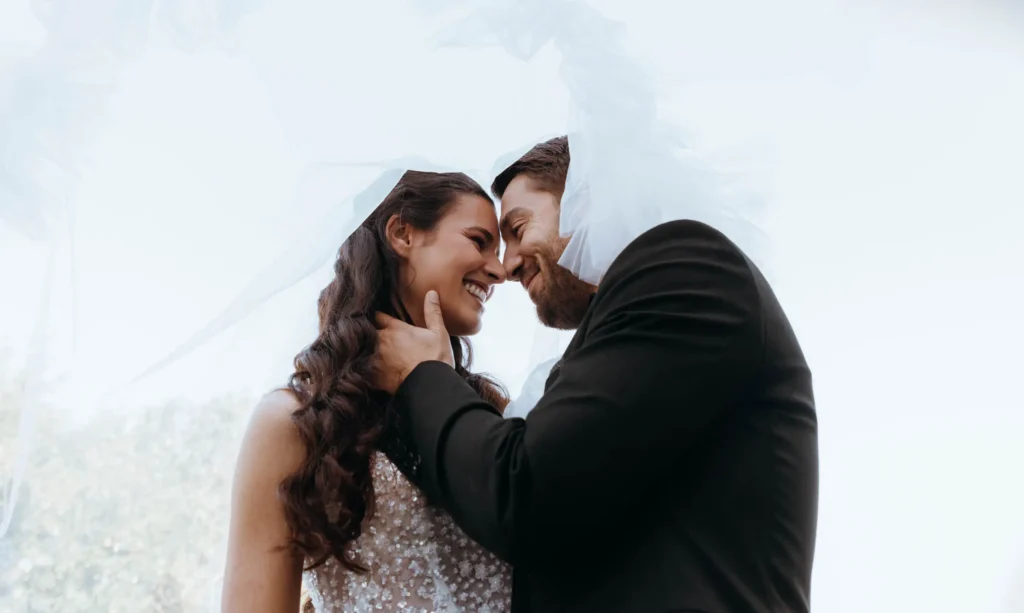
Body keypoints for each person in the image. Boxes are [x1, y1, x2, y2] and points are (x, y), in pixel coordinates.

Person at [374, 136, 820, 612]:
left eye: (519, 228)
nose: (507, 265)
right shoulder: (617, 341)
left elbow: (527, 498)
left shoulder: (683, 271)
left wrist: (424, 376)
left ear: (587, 197)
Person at [221, 170, 514, 612]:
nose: (498, 270)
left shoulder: (496, 415)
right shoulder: (295, 422)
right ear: (402, 234)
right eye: (478, 241)